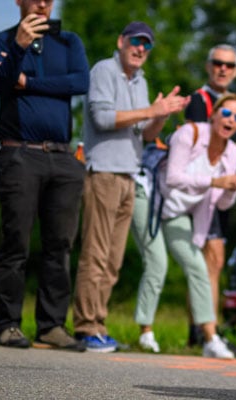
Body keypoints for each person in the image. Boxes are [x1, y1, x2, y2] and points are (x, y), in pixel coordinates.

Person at [73, 21, 189, 353]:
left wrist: (161, 115)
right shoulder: (104, 70)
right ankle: (85, 328)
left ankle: (99, 325)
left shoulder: (141, 81)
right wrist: (151, 109)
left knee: (112, 260)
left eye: (147, 45)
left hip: (129, 175)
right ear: (121, 41)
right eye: (136, 42)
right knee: (94, 255)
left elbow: (147, 135)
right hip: (104, 173)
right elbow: (103, 119)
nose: (141, 49)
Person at [0, 0, 88, 351]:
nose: (42, 3)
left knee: (59, 246)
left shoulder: (69, 42)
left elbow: (80, 82)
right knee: (17, 244)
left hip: (62, 156)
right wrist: (19, 48)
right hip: (19, 154)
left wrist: (28, 82)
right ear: (18, 1)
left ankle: (52, 326)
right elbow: (1, 84)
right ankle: (9, 324)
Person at [155, 93, 236, 359]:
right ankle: (202, 337)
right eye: (227, 113)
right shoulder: (190, 133)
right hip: (164, 207)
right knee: (156, 267)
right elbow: (173, 177)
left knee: (199, 266)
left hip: (193, 215)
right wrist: (214, 182)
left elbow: (221, 204)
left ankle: (208, 337)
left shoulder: (232, 152)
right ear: (214, 115)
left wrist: (233, 188)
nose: (231, 120)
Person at [183, 44, 236, 354]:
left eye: (229, 65)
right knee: (208, 260)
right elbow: (198, 150)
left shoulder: (231, 103)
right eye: (217, 63)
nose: (223, 68)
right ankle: (205, 332)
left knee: (211, 262)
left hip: (218, 193)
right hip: (201, 191)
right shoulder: (199, 101)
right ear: (208, 65)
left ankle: (201, 331)